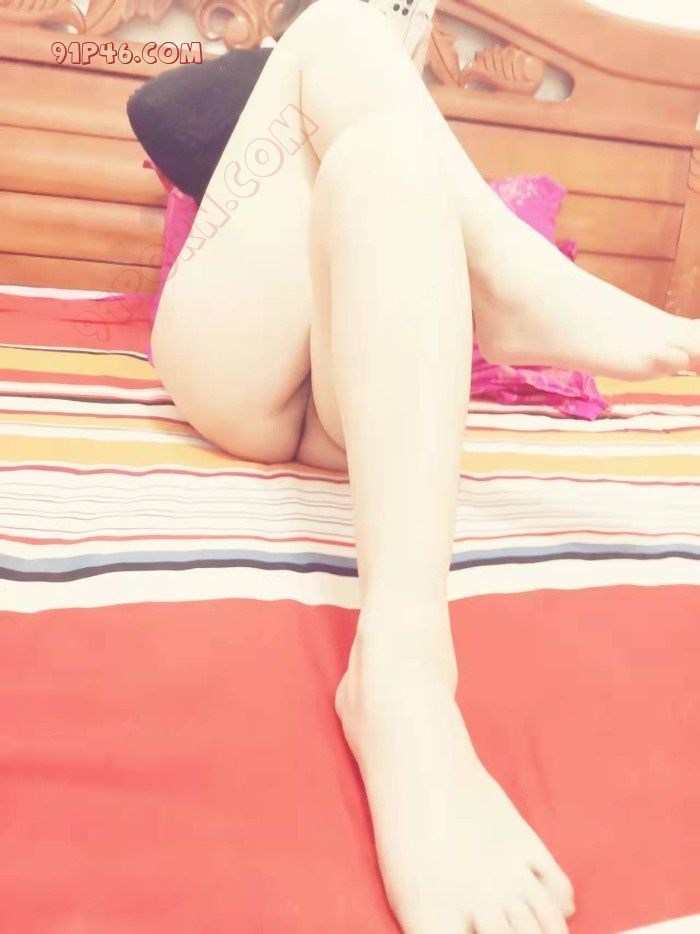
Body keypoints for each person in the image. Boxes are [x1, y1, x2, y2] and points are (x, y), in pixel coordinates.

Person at [127, 1, 699, 930]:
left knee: (386, 161)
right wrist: (283, 67)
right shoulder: (271, 73)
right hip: (236, 365)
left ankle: (399, 675)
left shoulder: (394, 126)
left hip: (351, 400)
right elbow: (153, 107)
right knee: (336, 33)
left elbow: (378, 133)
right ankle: (514, 281)